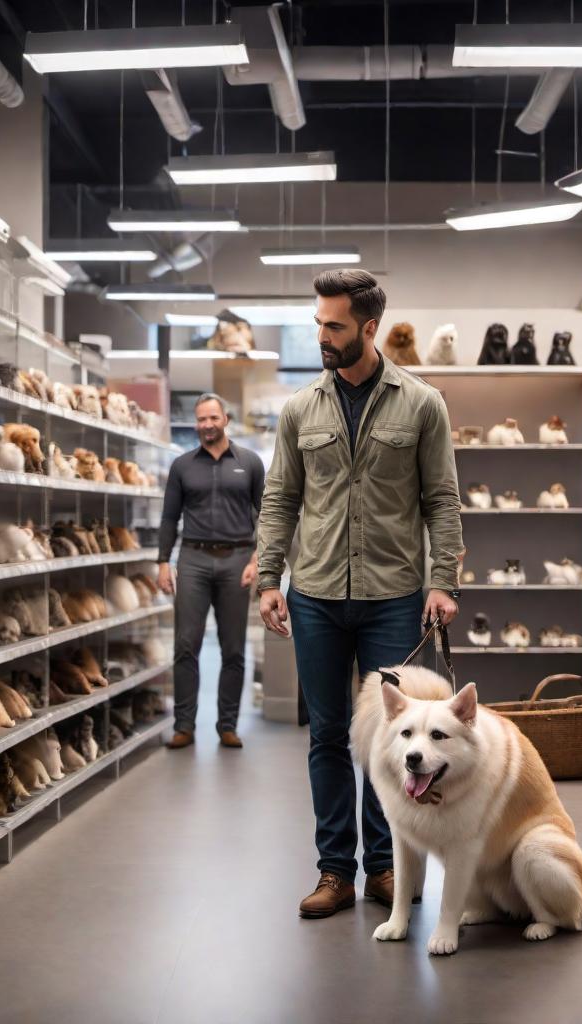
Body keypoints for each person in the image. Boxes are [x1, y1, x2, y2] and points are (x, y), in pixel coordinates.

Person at [256, 269, 464, 918]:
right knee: (325, 736)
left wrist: (443, 580)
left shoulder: (422, 403)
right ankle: (333, 871)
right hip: (315, 592)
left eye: (334, 325)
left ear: (369, 328)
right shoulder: (300, 409)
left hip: (393, 595)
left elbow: (442, 500)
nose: (322, 335)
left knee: (389, 740)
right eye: (318, 323)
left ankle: (385, 867)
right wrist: (268, 578)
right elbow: (281, 498)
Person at [158, 393, 265, 750]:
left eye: (213, 418)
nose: (207, 425)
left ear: (226, 419)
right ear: (196, 423)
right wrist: (162, 562)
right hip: (193, 559)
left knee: (233, 648)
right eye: (201, 419)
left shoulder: (249, 463)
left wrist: (257, 560)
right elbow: (169, 517)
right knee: (185, 644)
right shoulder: (183, 465)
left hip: (237, 561)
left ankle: (228, 725)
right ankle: (184, 726)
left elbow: (266, 516)